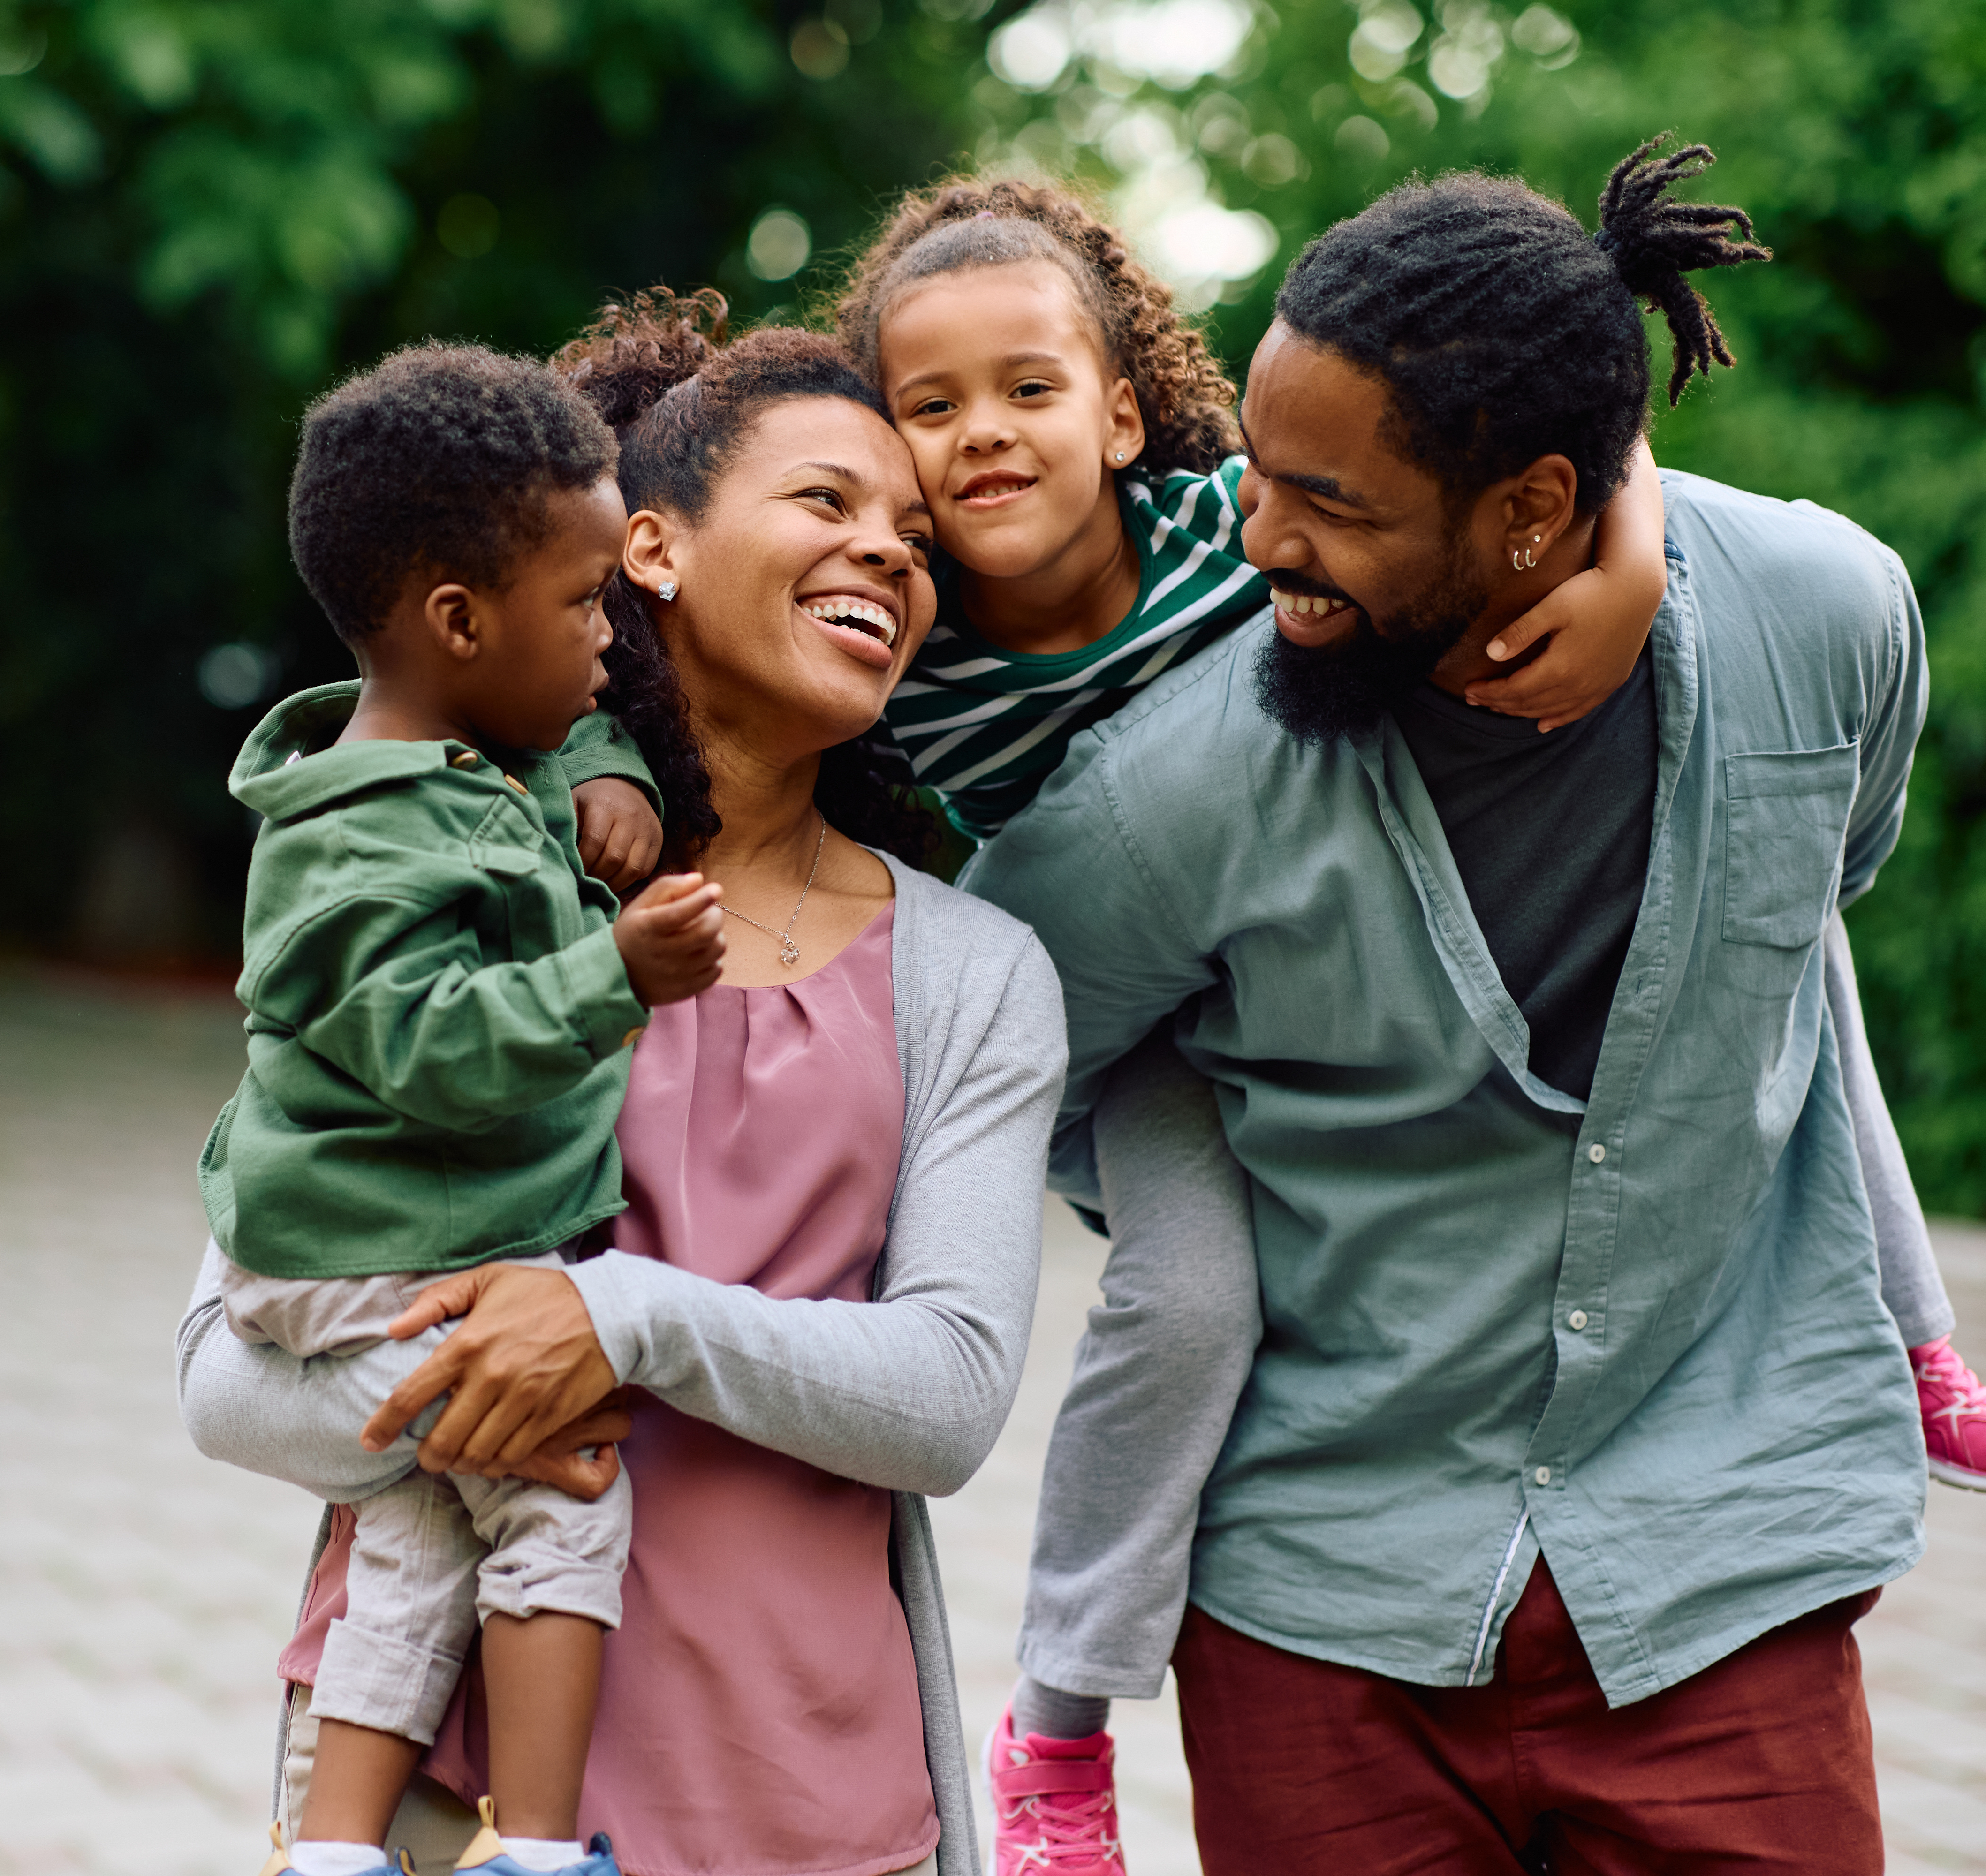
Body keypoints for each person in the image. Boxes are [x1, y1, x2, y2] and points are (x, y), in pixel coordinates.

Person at [969, 137, 1929, 1869]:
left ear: (1538, 510)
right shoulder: (1171, 791)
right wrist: (1200, 1181)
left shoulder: (1832, 615)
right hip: (1328, 1607)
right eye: (1265, 473)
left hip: (1729, 1567)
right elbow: (994, 1046)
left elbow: (1825, 872)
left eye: (1331, 505)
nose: (1261, 536)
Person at [819, 174, 1676, 1872]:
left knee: (1735, 930)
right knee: (1193, 1294)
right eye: (931, 407)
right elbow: (693, 644)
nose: (983, 431)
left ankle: (1908, 1333)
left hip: (1339, 960)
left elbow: (1544, 436)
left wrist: (1634, 558)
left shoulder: (1236, 521)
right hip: (1146, 1044)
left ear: (1125, 409)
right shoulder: (904, 650)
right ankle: (1058, 1724)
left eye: (1030, 388)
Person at [181, 294, 1063, 1876]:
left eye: (918, 538)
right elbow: (222, 1375)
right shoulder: (454, 891)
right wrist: (467, 1400)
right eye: (828, 501)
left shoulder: (975, 973)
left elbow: (948, 1395)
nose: (892, 553)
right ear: (648, 550)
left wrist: (618, 1321)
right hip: (450, 1812)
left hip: (810, 1806)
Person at [199, 343, 730, 1876]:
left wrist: (616, 757)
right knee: (557, 1491)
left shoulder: (464, 750)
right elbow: (432, 1048)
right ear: (456, 619)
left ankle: (342, 1852)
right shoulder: (352, 844)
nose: (608, 642)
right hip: (362, 1258)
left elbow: (554, 729)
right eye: (585, 609)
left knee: (420, 1539)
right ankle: (545, 1852)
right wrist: (611, 973)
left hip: (372, 1245)